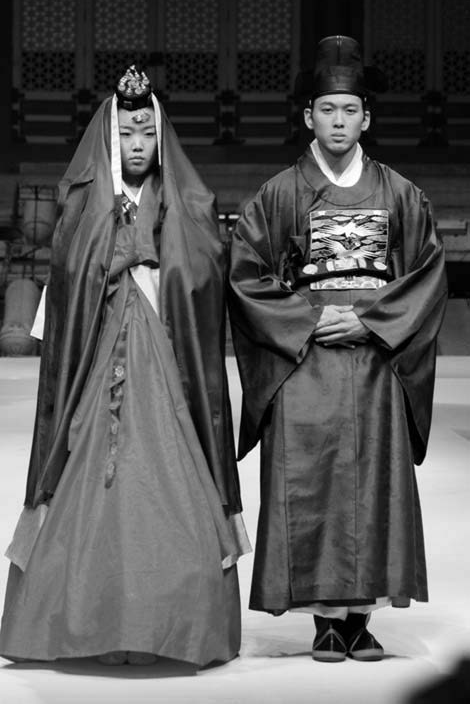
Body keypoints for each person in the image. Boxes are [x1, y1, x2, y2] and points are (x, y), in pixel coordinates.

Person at [0, 66, 249, 667]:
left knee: (170, 477)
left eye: (148, 134)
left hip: (163, 361)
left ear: (161, 136)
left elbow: (204, 273)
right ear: (111, 138)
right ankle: (87, 619)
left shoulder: (186, 203)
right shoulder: (84, 205)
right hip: (99, 362)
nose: (138, 146)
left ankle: (170, 624)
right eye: (127, 134)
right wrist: (112, 258)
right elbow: (70, 277)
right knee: (87, 475)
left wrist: (160, 257)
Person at [229, 36, 447, 663]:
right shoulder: (278, 193)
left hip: (375, 356)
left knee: (371, 478)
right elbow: (247, 273)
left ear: (366, 118)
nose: (339, 122)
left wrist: (370, 319)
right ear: (309, 117)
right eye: (327, 110)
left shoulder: (400, 192)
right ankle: (325, 618)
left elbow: (427, 273)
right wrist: (308, 319)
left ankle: (361, 615)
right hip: (306, 357)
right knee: (312, 478)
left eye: (350, 110)